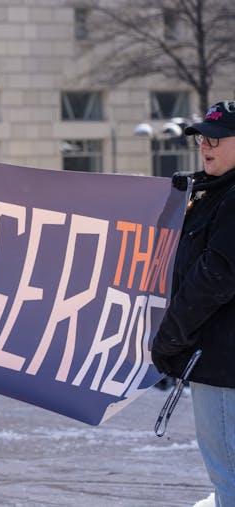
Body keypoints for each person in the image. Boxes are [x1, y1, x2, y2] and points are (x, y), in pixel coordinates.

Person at [151, 100, 235, 507]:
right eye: (202, 137)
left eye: (216, 138)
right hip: (218, 360)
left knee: (230, 479)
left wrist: (169, 339)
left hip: (225, 367)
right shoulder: (213, 193)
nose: (205, 145)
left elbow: (214, 277)